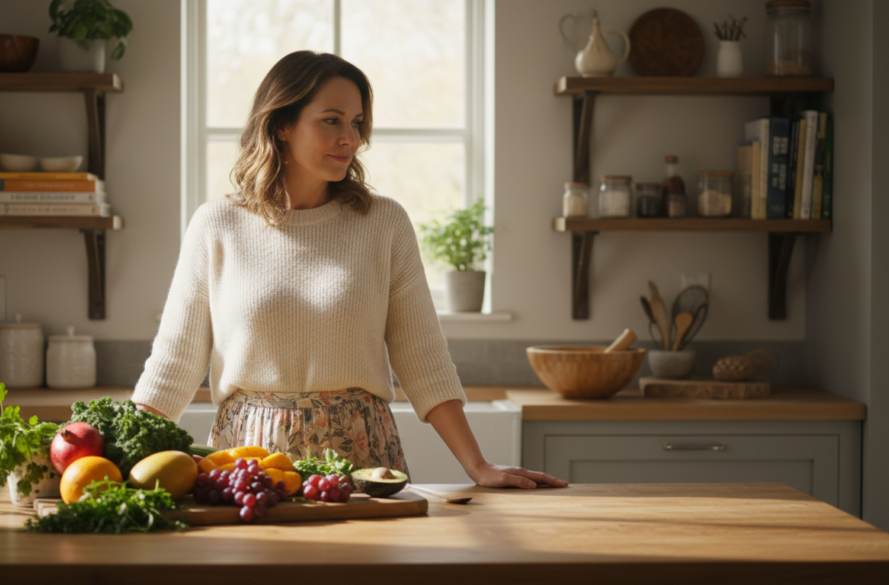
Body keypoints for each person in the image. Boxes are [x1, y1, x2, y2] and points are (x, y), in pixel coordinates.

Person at [133, 51, 566, 489]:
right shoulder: (216, 224)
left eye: (356, 123)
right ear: (281, 125)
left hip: (361, 456)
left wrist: (478, 466)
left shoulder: (383, 222)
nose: (350, 138)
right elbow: (174, 362)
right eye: (331, 120)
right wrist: (118, 457)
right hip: (249, 459)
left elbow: (423, 357)